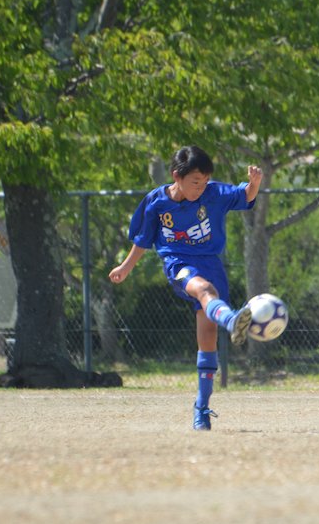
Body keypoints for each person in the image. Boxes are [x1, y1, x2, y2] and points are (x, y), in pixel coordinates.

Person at [109, 146, 262, 430]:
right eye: (195, 182)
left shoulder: (213, 194)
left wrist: (253, 185)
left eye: (204, 181)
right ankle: (231, 319)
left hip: (211, 263)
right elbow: (143, 240)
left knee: (207, 338)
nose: (200, 187)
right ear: (176, 176)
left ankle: (201, 409)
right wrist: (126, 267)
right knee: (203, 289)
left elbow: (244, 196)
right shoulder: (156, 202)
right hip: (178, 263)